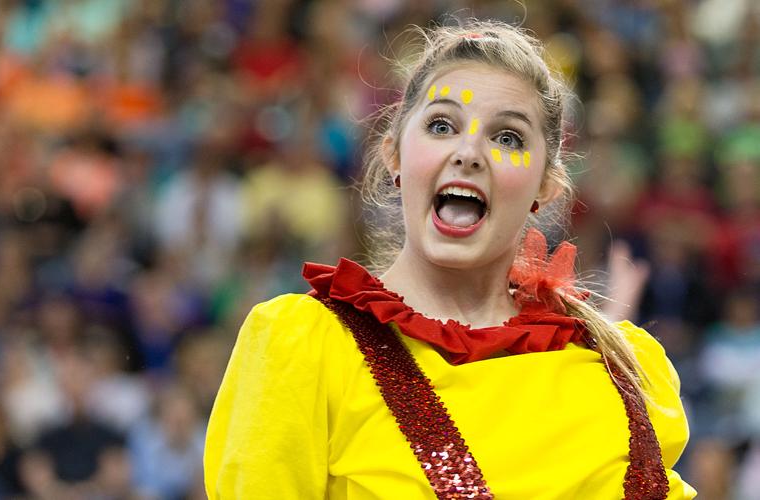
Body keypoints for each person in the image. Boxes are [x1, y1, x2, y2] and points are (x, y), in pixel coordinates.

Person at [203, 20, 696, 499]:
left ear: (546, 186)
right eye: (442, 125)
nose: (469, 152)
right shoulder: (305, 348)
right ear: (394, 155)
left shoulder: (625, 369)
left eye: (508, 138)